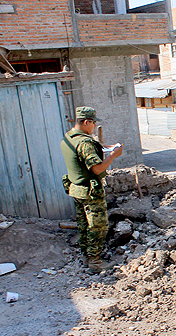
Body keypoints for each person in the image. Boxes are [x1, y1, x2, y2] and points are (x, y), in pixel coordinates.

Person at [60, 107, 123, 272]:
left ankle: (86, 256)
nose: (94, 126)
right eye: (93, 123)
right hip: (90, 191)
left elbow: (86, 152)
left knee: (83, 225)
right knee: (98, 226)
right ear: (86, 122)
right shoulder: (85, 143)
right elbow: (97, 169)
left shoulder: (69, 137)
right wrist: (113, 155)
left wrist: (105, 148)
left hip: (76, 189)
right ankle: (95, 263)